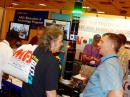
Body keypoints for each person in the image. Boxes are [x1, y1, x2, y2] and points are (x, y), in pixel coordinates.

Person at [21, 25, 63, 97]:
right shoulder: (52, 62)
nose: (61, 44)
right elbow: (50, 94)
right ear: (52, 42)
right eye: (60, 41)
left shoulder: (34, 50)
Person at [82, 33, 124, 97]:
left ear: (112, 45)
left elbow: (117, 94)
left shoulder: (109, 64)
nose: (98, 44)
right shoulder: (114, 61)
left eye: (102, 42)